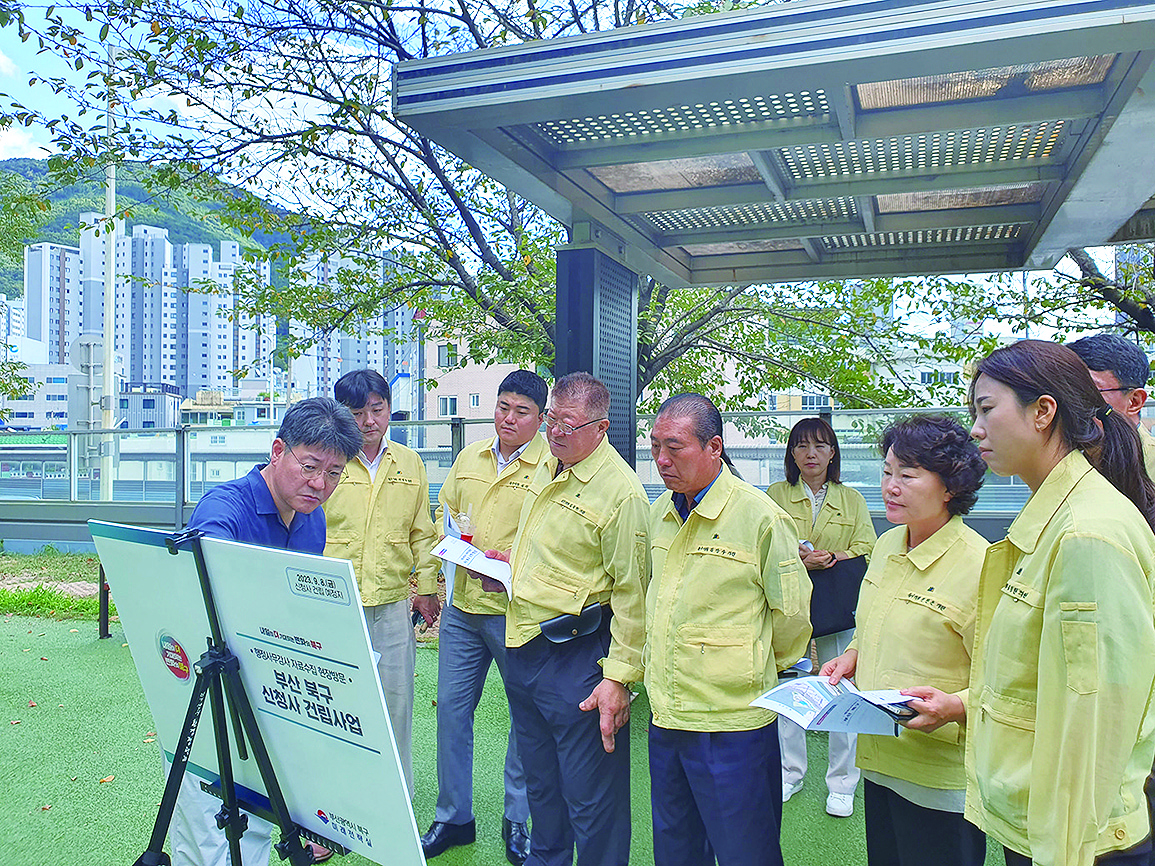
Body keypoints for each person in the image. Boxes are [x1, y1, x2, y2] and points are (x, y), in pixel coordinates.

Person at [907, 339, 1155, 866]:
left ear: (1043, 412)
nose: (974, 429)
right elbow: (1041, 682)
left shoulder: (1087, 533)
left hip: (1076, 840)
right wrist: (965, 704)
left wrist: (1062, 850)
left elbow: (1095, 721)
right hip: (1042, 823)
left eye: (986, 409)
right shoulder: (1056, 518)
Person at [176, 396, 362, 866]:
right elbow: (210, 570)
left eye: (335, 473)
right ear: (277, 450)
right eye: (310, 466)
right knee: (207, 829)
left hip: (271, 682)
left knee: (260, 813)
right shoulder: (227, 505)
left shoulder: (311, 517)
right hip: (213, 686)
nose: (320, 484)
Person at [487, 371, 650, 866]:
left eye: (569, 424)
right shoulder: (551, 464)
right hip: (524, 643)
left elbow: (634, 597)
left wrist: (618, 678)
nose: (555, 432)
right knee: (542, 785)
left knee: (591, 798)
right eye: (552, 420)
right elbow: (545, 547)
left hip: (580, 656)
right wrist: (509, 569)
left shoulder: (622, 495)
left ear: (601, 428)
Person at [646, 394, 812, 866]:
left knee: (746, 852)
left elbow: (792, 617)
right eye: (656, 446)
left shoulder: (760, 517)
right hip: (668, 717)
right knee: (676, 851)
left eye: (674, 448)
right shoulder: (660, 512)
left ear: (714, 447)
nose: (661, 460)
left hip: (733, 724)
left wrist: (749, 667)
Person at [821, 415, 988, 866]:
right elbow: (877, 621)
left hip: (938, 775)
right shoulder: (888, 544)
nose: (891, 486)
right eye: (887, 472)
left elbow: (1006, 680)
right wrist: (853, 655)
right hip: (879, 757)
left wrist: (956, 706)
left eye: (908, 476)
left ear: (950, 487)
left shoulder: (980, 565)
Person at [421, 371, 555, 865]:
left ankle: (517, 818)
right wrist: (452, 544)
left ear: (541, 419)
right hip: (462, 610)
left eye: (522, 411)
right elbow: (447, 510)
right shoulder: (470, 456)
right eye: (502, 406)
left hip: (516, 614)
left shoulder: (551, 467)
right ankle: (454, 816)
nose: (508, 418)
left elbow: (550, 540)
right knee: (453, 714)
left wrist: (511, 561)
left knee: (525, 720)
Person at [324, 369, 441, 799]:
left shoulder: (410, 462)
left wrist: (426, 587)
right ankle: (333, 802)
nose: (369, 421)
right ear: (341, 414)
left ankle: (396, 799)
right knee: (335, 706)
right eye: (357, 412)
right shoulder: (325, 460)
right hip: (332, 603)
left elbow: (421, 532)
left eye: (377, 409)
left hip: (392, 605)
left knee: (396, 706)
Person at [767, 417, 876, 817]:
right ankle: (789, 772)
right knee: (790, 685)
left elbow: (868, 544)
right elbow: (765, 539)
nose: (810, 454)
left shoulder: (852, 499)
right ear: (791, 454)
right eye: (801, 446)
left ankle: (843, 782)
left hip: (835, 602)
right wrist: (798, 556)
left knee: (841, 687)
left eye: (820, 446)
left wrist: (832, 556)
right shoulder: (776, 494)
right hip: (791, 601)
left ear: (833, 453)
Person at [1068, 332, 1155, 476]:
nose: (1073, 403)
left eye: (1088, 391)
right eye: (1068, 391)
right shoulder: (1061, 461)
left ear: (1134, 402)